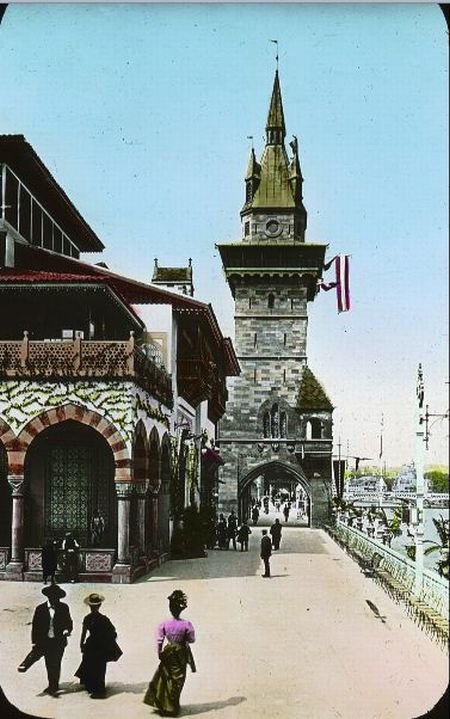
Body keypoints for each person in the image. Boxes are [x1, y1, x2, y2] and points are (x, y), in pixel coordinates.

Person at [144, 589, 196, 718]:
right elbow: (192, 640)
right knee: (179, 678)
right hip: (181, 652)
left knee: (166, 677)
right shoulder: (187, 624)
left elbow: (159, 640)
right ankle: (173, 706)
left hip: (168, 652)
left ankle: (165, 704)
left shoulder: (164, 624)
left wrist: (159, 653)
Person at [17, 584, 72, 697]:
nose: (54, 599)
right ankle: (26, 664)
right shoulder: (40, 609)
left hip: (58, 641)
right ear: (48, 597)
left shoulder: (64, 607)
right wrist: (34, 641)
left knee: (54, 663)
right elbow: (35, 626)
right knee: (41, 656)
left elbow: (68, 622)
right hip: (44, 640)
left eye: (56, 597)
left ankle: (53, 685)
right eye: (52, 597)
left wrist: (67, 630)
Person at [75, 592, 122, 699]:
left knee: (99, 667)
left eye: (95, 606)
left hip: (98, 646)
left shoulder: (101, 619)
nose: (93, 608)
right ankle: (92, 686)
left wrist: (82, 644)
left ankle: (99, 690)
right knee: (92, 665)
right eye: (92, 606)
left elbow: (112, 632)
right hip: (93, 646)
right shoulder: (93, 618)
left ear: (98, 606)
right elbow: (84, 632)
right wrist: (81, 644)